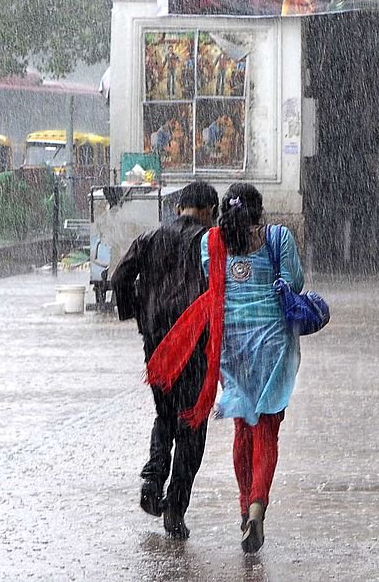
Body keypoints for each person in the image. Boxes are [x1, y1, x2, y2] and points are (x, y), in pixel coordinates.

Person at [111, 181, 220, 540]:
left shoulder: (150, 237)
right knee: (192, 424)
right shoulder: (210, 241)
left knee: (165, 414)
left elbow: (120, 276)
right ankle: (175, 506)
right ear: (208, 211)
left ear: (179, 208)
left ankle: (153, 477)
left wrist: (137, 314)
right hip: (193, 342)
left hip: (156, 342)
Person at [211, 182, 304, 554]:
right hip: (272, 345)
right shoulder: (278, 237)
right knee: (267, 429)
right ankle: (257, 506)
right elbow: (295, 282)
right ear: (260, 209)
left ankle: (243, 504)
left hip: (232, 346)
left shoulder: (213, 242)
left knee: (242, 427)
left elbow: (211, 284)